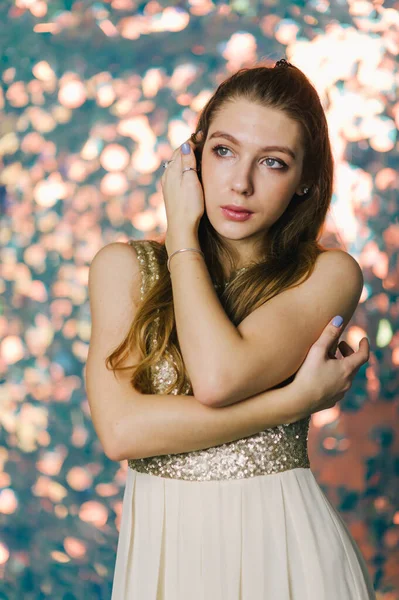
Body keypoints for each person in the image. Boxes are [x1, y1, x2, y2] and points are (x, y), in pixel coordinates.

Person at [86, 59, 375, 598]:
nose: (240, 183)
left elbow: (219, 376)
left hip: (289, 557)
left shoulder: (327, 274)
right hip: (166, 562)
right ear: (192, 157)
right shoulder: (122, 269)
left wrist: (183, 240)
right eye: (223, 151)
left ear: (306, 182)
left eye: (273, 162)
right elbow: (121, 432)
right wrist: (291, 404)